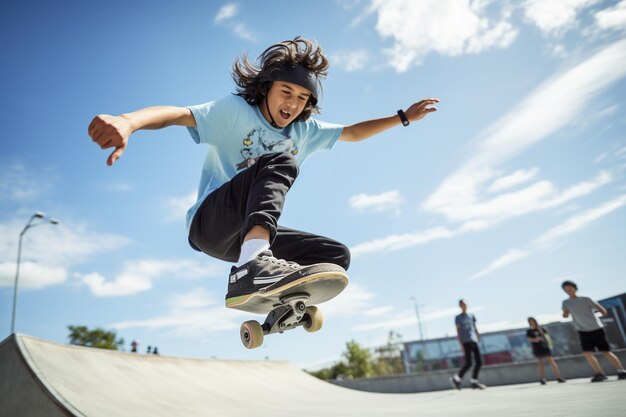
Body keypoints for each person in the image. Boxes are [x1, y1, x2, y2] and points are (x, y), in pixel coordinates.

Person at [88, 36, 439, 305]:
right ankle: (252, 266)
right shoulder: (235, 111)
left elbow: (352, 133)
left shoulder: (305, 131)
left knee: (335, 256)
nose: (292, 103)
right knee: (280, 160)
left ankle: (279, 300)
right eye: (286, 91)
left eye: (302, 98)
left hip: (243, 238)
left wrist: (403, 117)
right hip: (211, 223)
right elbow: (177, 114)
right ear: (266, 88)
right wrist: (127, 122)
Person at [561, 280, 626, 382]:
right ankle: (599, 374)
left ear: (575, 288)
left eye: (570, 287)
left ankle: (621, 371)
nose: (568, 290)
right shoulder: (566, 303)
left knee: (606, 351)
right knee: (587, 353)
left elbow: (603, 311)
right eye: (566, 289)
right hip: (582, 330)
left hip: (596, 328)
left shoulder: (586, 299)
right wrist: (565, 314)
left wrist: (597, 314)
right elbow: (565, 315)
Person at [450, 299, 486, 390]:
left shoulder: (471, 316)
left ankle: (474, 381)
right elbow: (458, 331)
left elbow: (474, 327)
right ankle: (456, 378)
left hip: (473, 339)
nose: (464, 306)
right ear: (460, 306)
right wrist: (461, 344)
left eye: (465, 304)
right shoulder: (458, 318)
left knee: (479, 361)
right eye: (462, 304)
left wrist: (478, 336)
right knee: (469, 363)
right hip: (465, 341)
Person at [526, 317, 566, 385]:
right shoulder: (529, 331)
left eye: (532, 321)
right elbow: (529, 339)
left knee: (551, 361)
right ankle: (542, 379)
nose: (532, 322)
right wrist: (536, 339)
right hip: (537, 347)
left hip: (545, 346)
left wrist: (548, 343)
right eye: (530, 321)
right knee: (540, 363)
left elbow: (547, 337)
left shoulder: (541, 328)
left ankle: (558, 377)